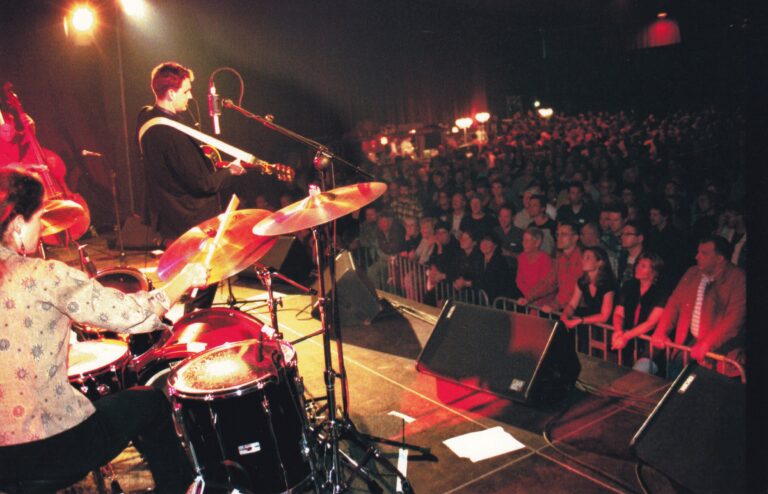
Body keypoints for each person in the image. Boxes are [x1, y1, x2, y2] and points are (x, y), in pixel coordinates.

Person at [0, 169, 206, 492]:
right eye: (39, 216)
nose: (42, 226)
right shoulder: (46, 275)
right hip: (55, 447)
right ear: (16, 225)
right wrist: (184, 279)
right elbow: (130, 315)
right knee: (150, 402)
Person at [137, 61, 245, 312]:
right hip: (189, 223)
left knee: (194, 288)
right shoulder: (170, 133)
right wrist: (229, 171)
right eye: (186, 91)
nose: (190, 96)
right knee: (200, 289)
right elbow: (203, 183)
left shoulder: (147, 120)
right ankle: (192, 341)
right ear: (171, 93)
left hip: (169, 220)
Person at [651, 235, 745, 378]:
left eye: (704, 253)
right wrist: (661, 330)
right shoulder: (693, 272)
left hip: (721, 349)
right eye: (698, 252)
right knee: (674, 379)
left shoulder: (738, 279)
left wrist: (707, 343)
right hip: (690, 341)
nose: (697, 257)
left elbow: (735, 318)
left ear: (720, 258)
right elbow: (674, 303)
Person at [611, 252, 669, 371]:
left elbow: (651, 323)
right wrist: (618, 330)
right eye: (638, 264)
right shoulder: (629, 286)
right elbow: (618, 312)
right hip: (629, 339)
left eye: (643, 266)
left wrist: (626, 336)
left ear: (654, 271)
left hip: (650, 343)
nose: (637, 268)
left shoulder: (661, 291)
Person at [515, 227, 553, 306]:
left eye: (527, 240)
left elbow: (545, 284)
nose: (523, 243)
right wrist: (529, 296)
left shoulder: (545, 259)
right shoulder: (521, 257)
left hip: (544, 303)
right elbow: (519, 280)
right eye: (523, 240)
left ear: (537, 243)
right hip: (528, 300)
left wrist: (531, 297)